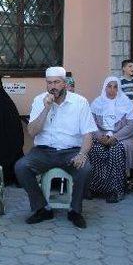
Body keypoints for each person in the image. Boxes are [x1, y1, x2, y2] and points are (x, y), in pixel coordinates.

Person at [14, 67, 97, 229]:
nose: (53, 86)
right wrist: (46, 108)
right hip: (44, 151)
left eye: (57, 82)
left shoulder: (80, 102)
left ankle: (75, 210)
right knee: (21, 167)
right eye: (49, 83)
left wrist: (82, 154)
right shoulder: (40, 100)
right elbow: (32, 132)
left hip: (71, 151)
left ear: (64, 84)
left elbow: (88, 135)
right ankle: (42, 208)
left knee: (85, 169)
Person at [88, 77, 133, 202]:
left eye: (115, 86)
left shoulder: (126, 103)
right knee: (95, 148)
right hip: (102, 136)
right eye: (109, 86)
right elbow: (90, 123)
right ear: (104, 87)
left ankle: (116, 190)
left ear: (119, 88)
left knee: (115, 150)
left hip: (123, 137)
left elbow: (131, 126)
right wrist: (99, 136)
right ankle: (97, 188)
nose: (112, 89)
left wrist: (115, 137)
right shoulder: (97, 103)